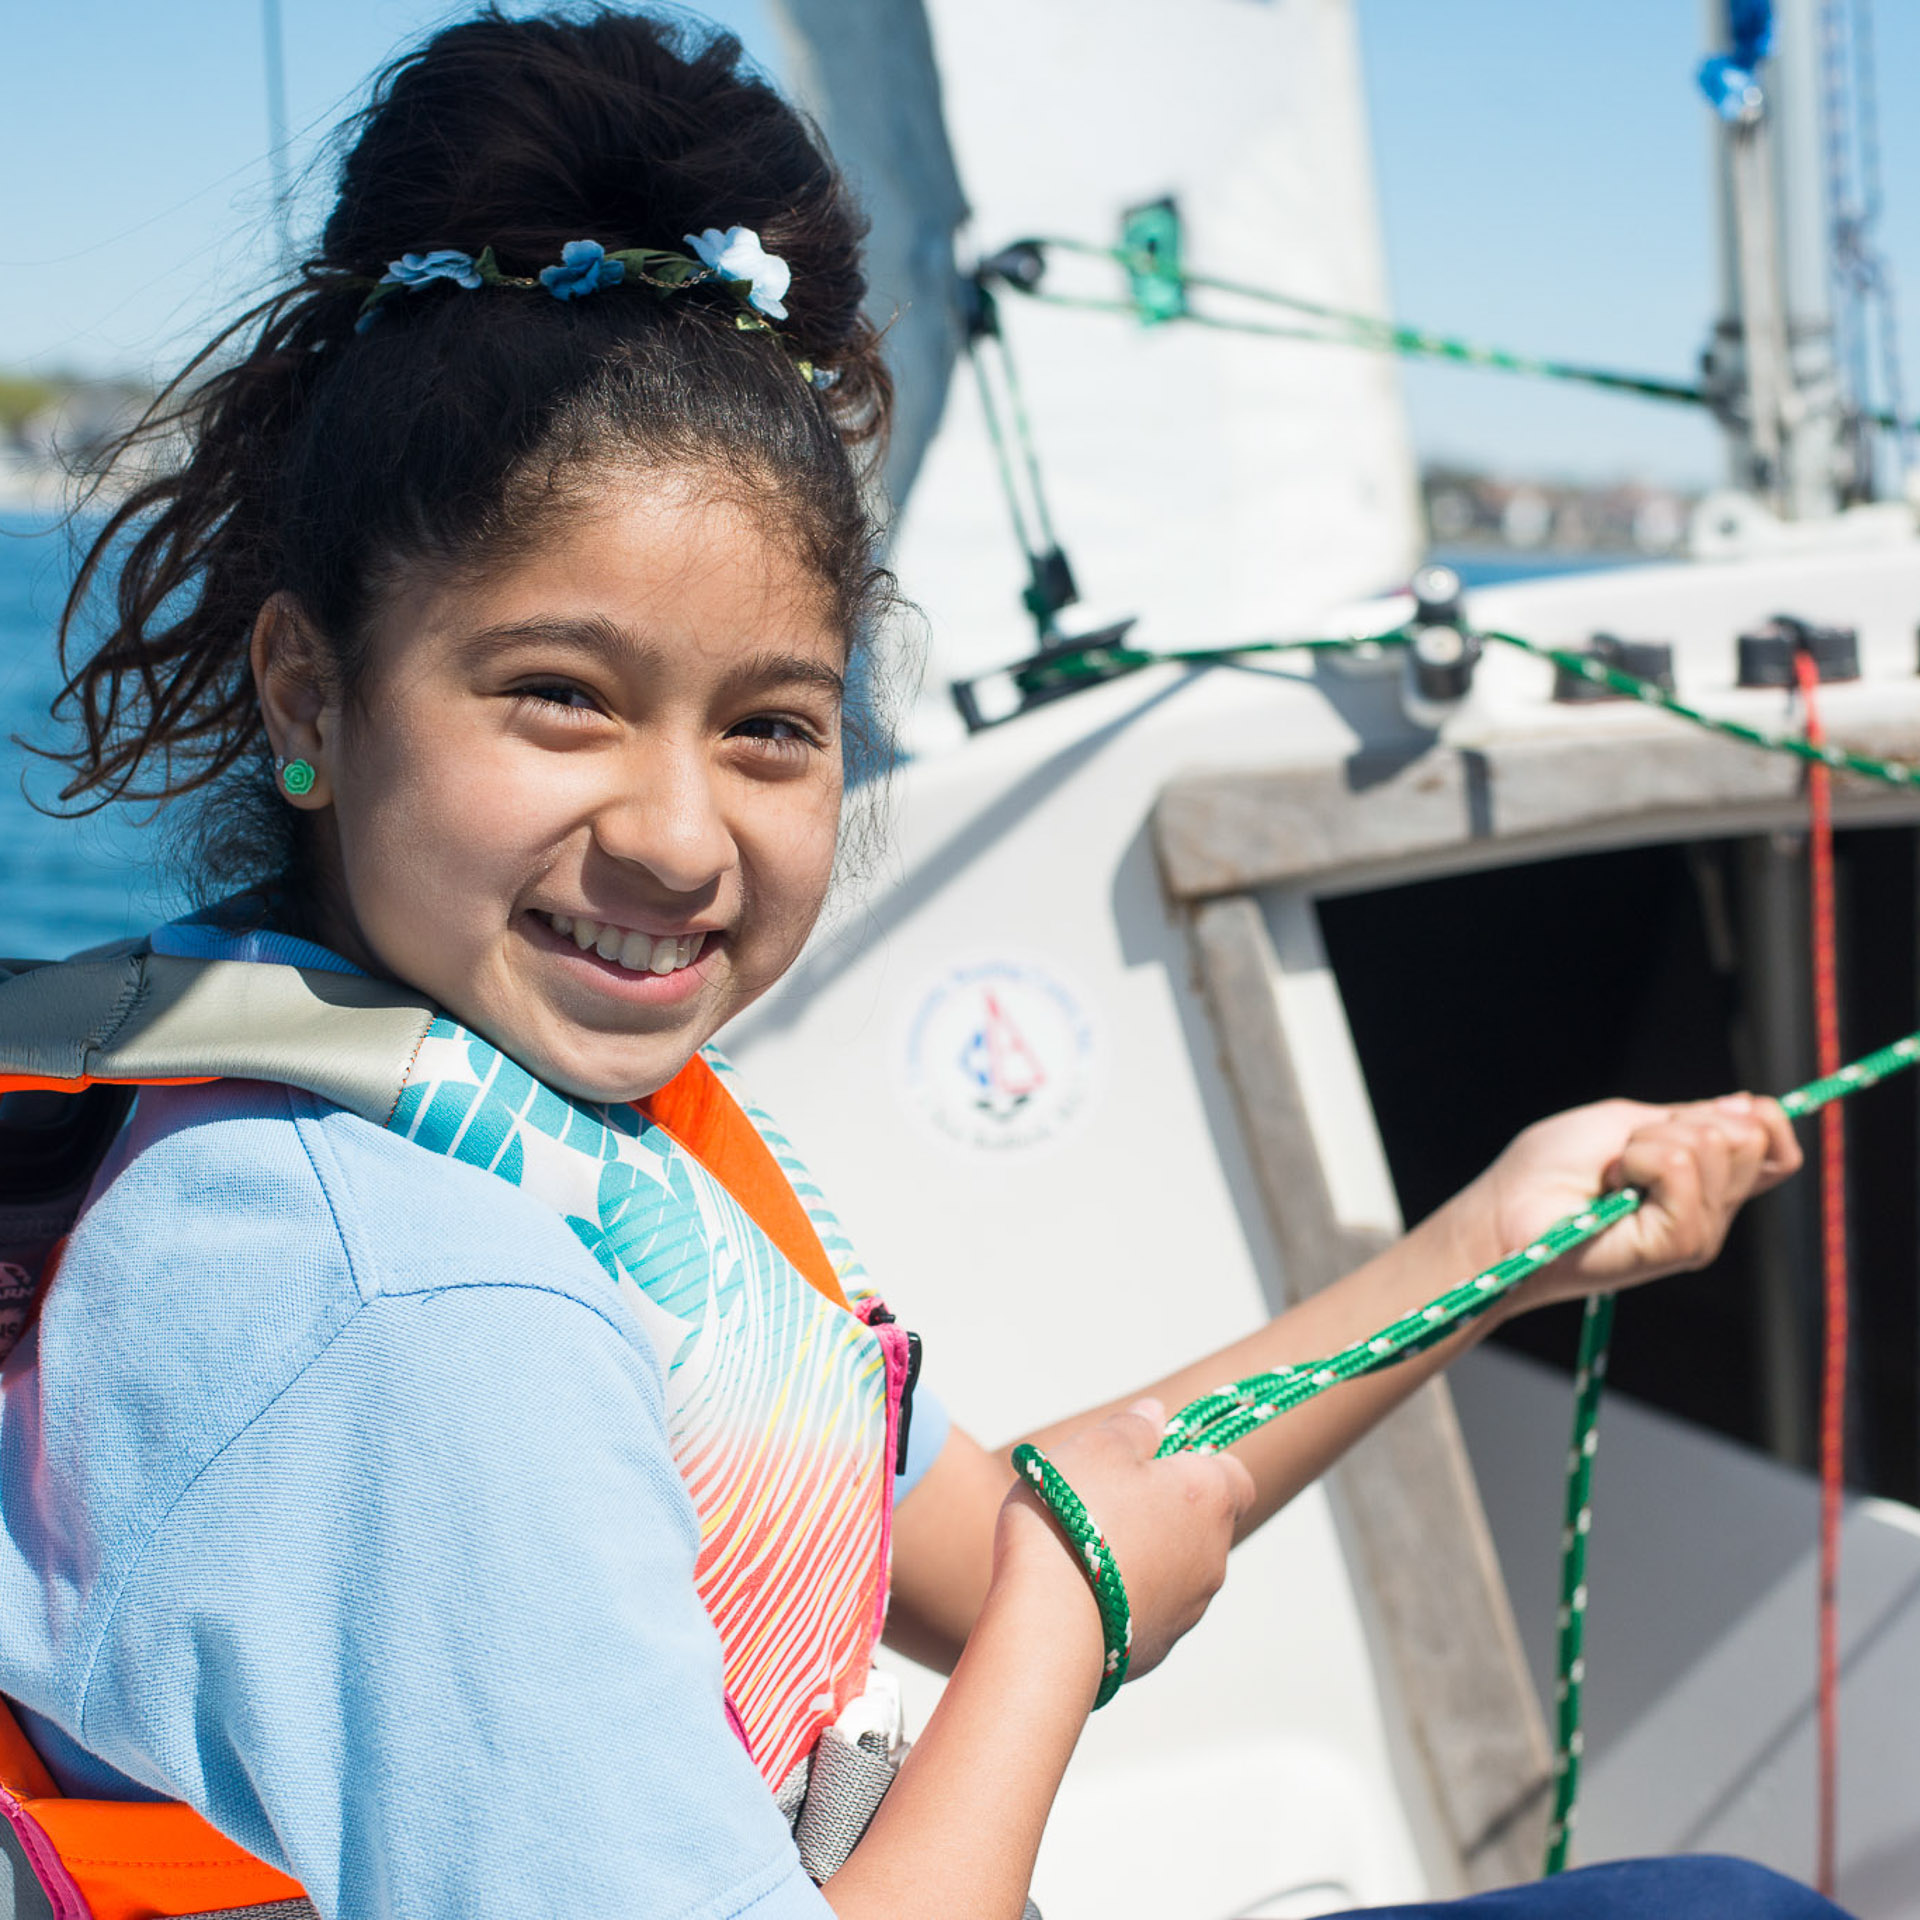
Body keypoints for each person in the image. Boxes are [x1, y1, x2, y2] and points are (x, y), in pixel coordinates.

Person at [1, 9, 1841, 1919]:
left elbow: (993, 1531)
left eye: (773, 731)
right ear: (311, 691)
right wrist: (1063, 1620)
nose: (680, 834)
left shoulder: (484, 1152)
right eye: (560, 697)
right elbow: (1042, 1577)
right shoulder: (419, 1313)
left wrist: (1497, 1239)